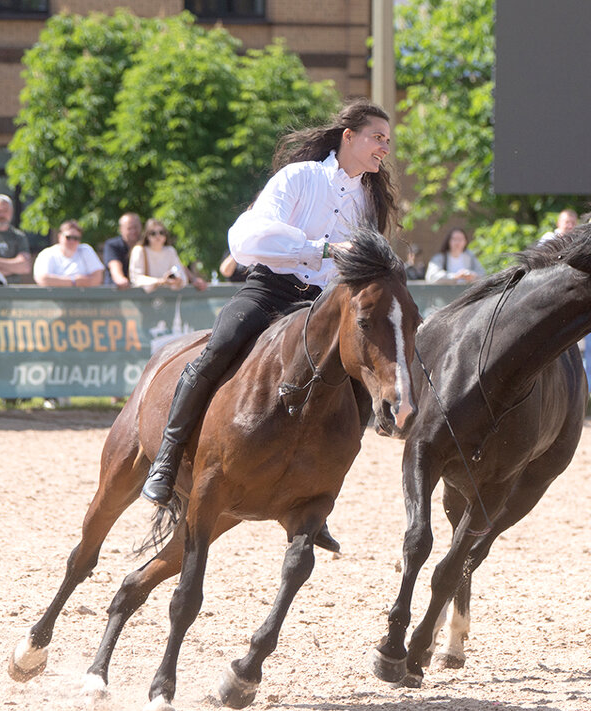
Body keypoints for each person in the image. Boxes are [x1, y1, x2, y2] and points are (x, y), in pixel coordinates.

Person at [141, 99, 397, 508]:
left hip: (321, 306)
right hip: (268, 290)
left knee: (357, 386)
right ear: (349, 137)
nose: (385, 147)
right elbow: (248, 239)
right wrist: (324, 249)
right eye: (377, 138)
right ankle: (166, 462)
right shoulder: (299, 177)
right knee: (218, 350)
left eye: (388, 140)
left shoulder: (369, 201)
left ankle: (319, 496)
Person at [128, 218, 207, 292]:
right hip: (144, 299)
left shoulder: (170, 251)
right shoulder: (139, 250)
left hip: (167, 299)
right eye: (153, 233)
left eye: (161, 232)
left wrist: (176, 280)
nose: (158, 236)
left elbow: (181, 276)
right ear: (147, 236)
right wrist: (160, 281)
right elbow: (136, 278)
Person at [33, 220, 107, 287]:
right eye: (68, 237)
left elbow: (97, 279)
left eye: (76, 238)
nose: (72, 241)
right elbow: (42, 279)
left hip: (83, 299)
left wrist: (57, 281)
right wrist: (74, 281)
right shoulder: (47, 253)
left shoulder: (86, 250)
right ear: (59, 237)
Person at [101, 212, 142, 290]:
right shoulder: (112, 245)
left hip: (140, 292)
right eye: (129, 228)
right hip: (117, 292)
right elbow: (114, 265)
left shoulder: (145, 245)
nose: (133, 231)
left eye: (135, 227)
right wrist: (120, 279)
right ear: (121, 229)